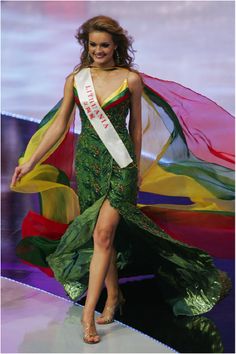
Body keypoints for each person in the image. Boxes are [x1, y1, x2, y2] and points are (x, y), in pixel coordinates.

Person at [11, 15, 233, 345]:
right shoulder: (76, 80)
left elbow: (135, 129)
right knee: (105, 239)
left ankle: (88, 314)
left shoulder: (130, 80)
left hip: (121, 167)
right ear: (86, 46)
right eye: (93, 45)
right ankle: (113, 296)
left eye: (104, 45)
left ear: (116, 46)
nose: (98, 50)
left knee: (102, 234)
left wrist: (137, 171)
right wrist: (30, 160)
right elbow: (59, 125)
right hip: (87, 167)